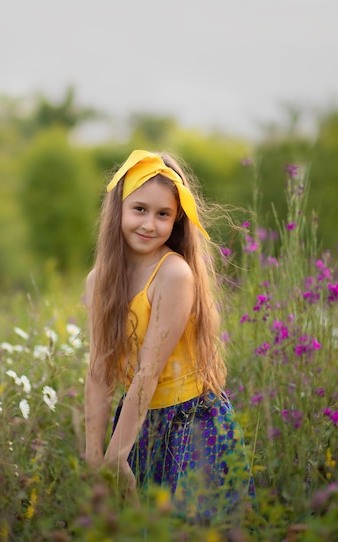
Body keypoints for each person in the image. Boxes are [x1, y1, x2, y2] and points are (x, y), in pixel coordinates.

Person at [83, 149, 255, 524]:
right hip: (136, 424)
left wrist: (117, 454)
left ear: (176, 220)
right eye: (139, 209)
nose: (149, 224)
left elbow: (148, 373)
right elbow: (99, 371)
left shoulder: (174, 275)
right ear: (119, 210)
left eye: (163, 214)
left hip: (191, 428)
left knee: (191, 530)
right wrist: (95, 457)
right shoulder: (99, 281)